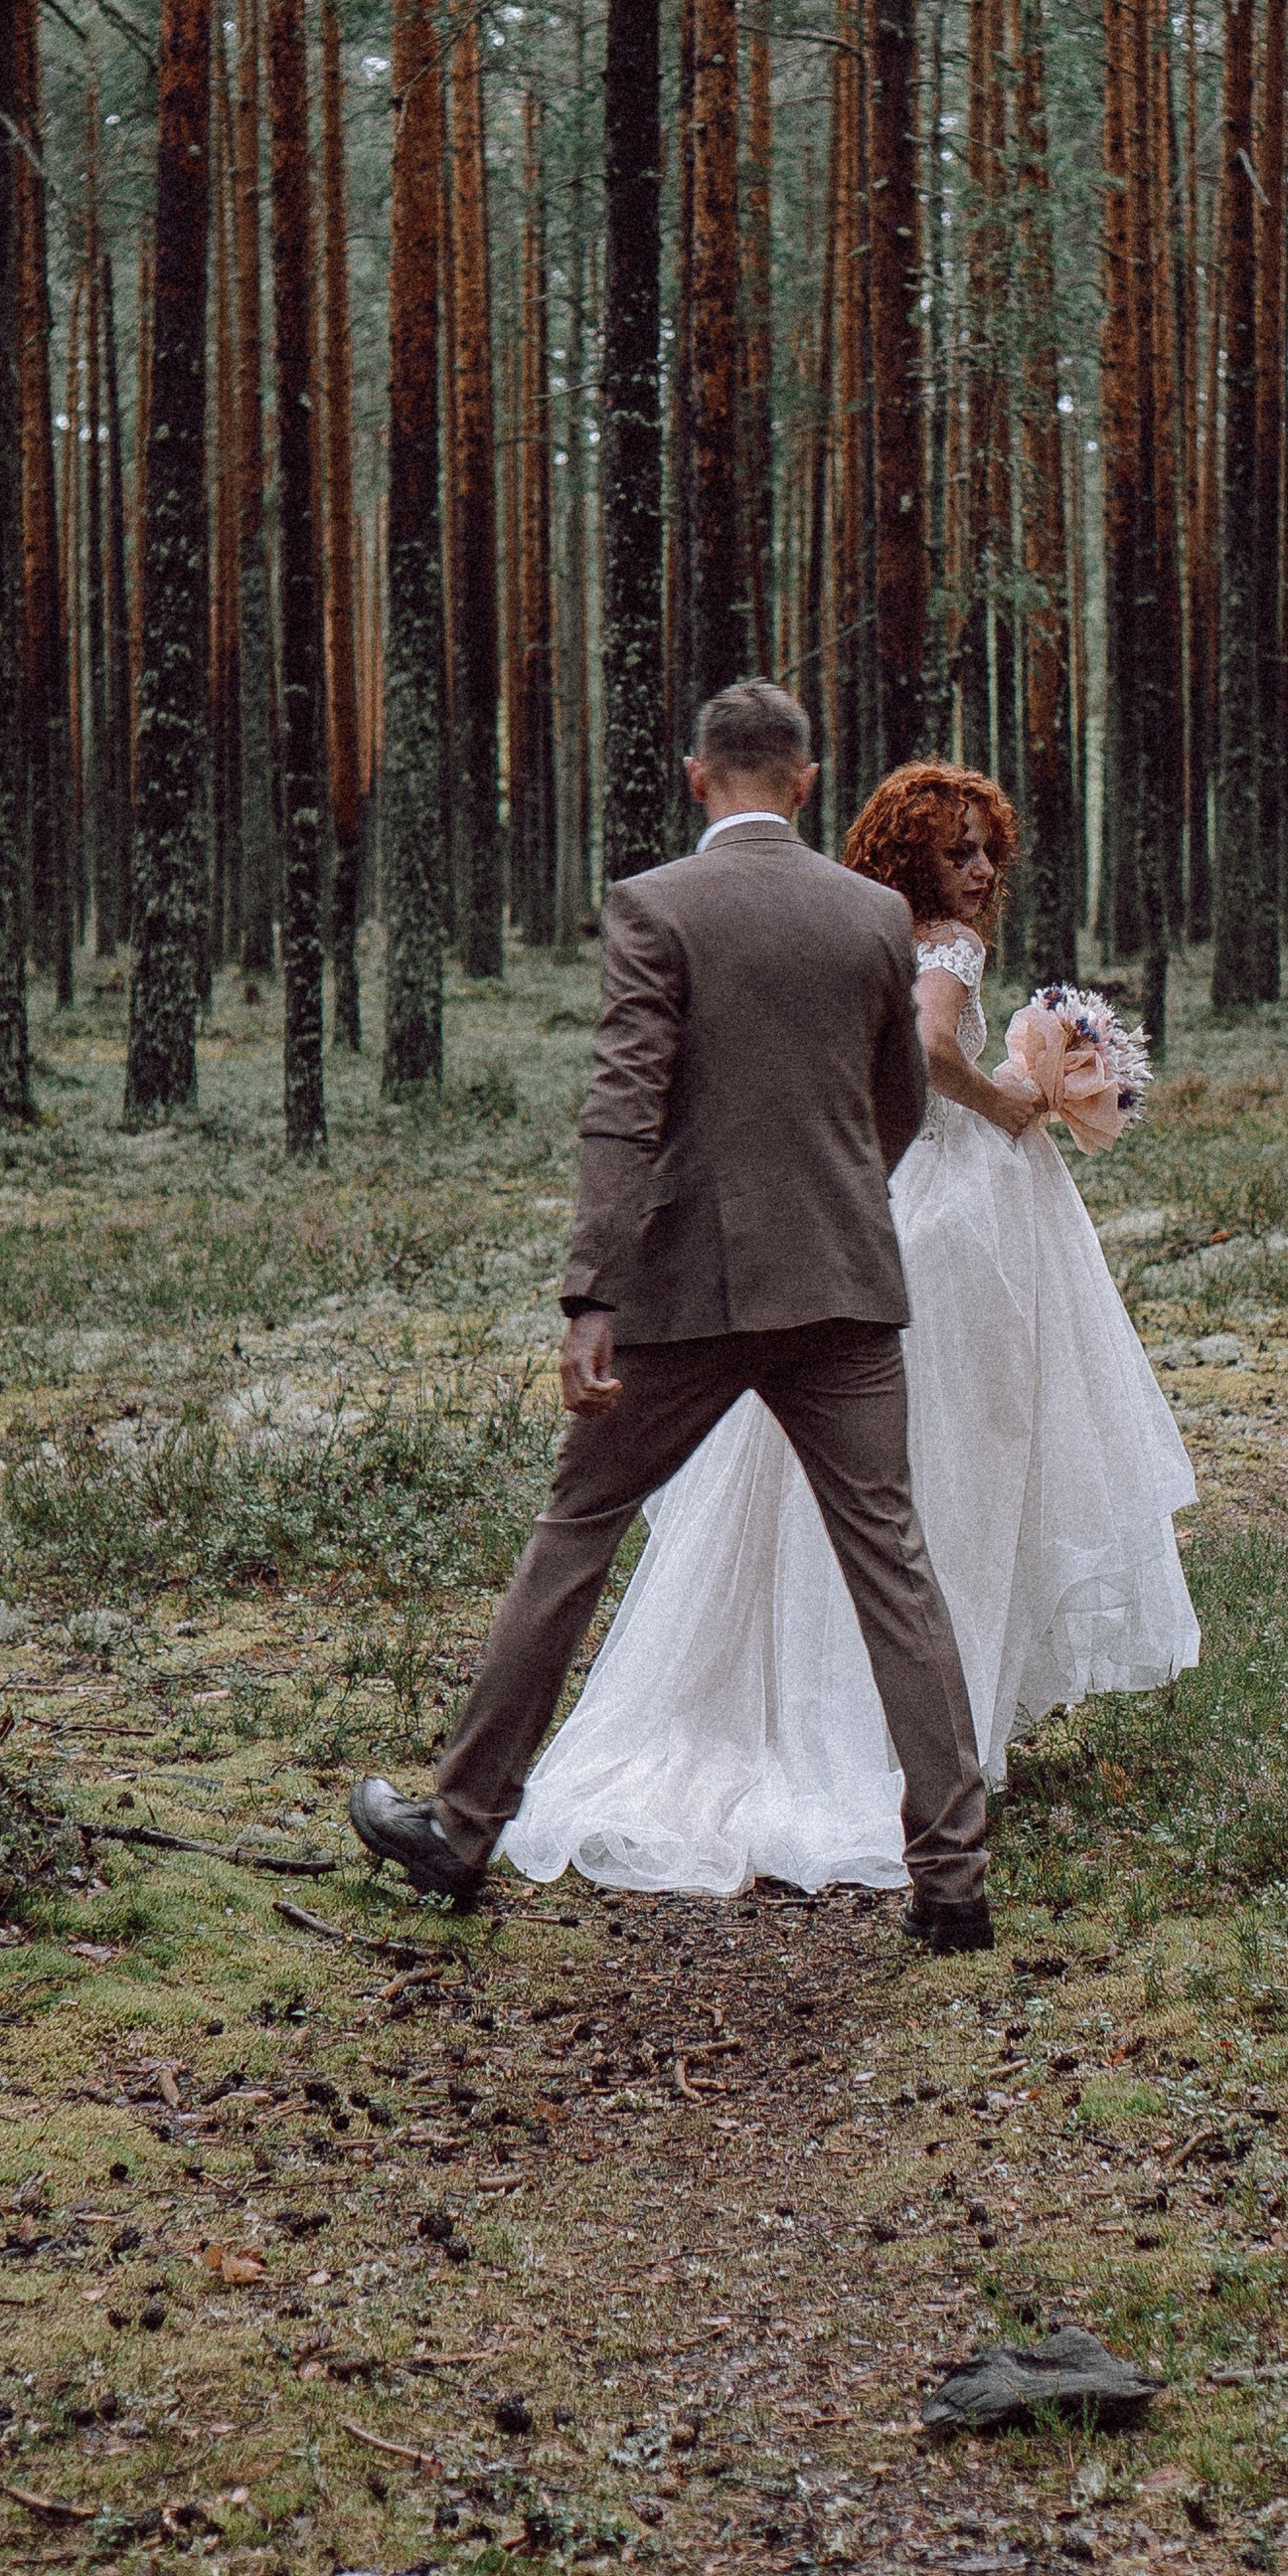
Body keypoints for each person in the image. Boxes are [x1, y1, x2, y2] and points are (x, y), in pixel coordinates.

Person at [348, 681, 994, 1953]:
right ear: (805, 785)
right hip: (843, 1289)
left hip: (682, 1297)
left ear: (699, 778)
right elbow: (899, 1100)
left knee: (576, 1533)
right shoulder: (872, 917)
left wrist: (593, 1291)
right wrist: (842, 1200)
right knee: (894, 1570)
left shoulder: (655, 907)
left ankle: (461, 1826)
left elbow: (622, 1109)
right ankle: (954, 1881)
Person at [494, 758, 1200, 1901]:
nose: (978, 871)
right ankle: (906, 1765)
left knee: (886, 1483)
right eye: (954, 850)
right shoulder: (942, 950)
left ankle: (850, 1726)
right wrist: (1010, 1098)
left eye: (986, 850)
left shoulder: (864, 933)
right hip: (949, 1220)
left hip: (885, 1211)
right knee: (944, 1476)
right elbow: (925, 1055)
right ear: (910, 854)